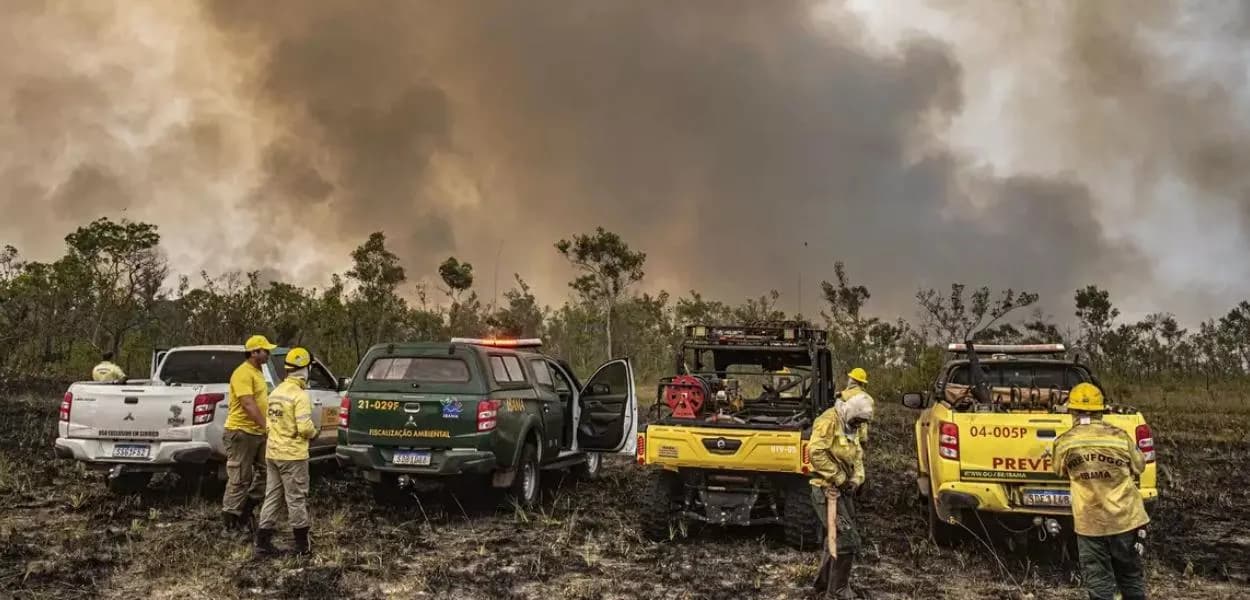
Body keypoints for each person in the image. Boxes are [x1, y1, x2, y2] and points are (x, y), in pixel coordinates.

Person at [1053, 383, 1150, 600]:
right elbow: (1140, 466)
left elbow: (1058, 470)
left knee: (1099, 583)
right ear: (1101, 411)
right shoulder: (1120, 436)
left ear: (1072, 412)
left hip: (1090, 523)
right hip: (1126, 519)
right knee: (1130, 577)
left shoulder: (1065, 442)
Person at [808, 386, 873, 599]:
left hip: (843, 490)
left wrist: (855, 480)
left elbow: (857, 458)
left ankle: (823, 584)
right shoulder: (829, 421)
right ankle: (837, 591)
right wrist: (840, 478)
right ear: (849, 411)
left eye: (860, 423)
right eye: (856, 421)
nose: (858, 426)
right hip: (826, 489)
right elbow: (815, 453)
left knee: (837, 537)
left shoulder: (851, 425)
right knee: (847, 539)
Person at [255, 347, 318, 557]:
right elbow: (305, 428)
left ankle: (262, 542)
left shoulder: (276, 392)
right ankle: (302, 546)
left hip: (272, 453)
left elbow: (269, 424)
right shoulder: (299, 396)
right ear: (305, 369)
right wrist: (314, 432)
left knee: (272, 496)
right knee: (296, 498)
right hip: (293, 456)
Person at [221, 334, 276, 533]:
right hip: (241, 432)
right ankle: (230, 523)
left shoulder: (259, 372)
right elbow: (247, 403)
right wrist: (266, 425)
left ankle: (246, 511)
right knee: (239, 478)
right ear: (254, 352)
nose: (268, 354)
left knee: (267, 472)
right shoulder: (242, 373)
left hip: (258, 433)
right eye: (265, 350)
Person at [838, 368, 874, 448]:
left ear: (851, 380)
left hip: (844, 440)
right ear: (862, 383)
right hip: (861, 441)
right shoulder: (869, 399)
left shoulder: (842, 396)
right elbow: (869, 420)